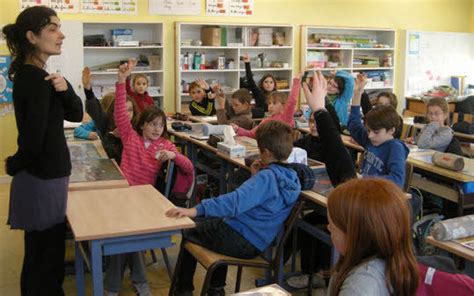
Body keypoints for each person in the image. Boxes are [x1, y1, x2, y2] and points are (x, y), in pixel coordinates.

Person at [166, 120, 309, 296]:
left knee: (189, 229)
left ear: (266, 152)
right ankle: (216, 289)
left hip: (241, 238)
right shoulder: (291, 177)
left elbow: (233, 203)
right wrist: (255, 177)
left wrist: (194, 209)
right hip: (258, 241)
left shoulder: (266, 178)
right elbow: (264, 199)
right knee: (212, 224)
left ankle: (183, 291)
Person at [3, 6, 83, 295]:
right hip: (42, 180)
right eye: (52, 28)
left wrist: (66, 88)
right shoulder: (33, 78)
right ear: (31, 37)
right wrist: (13, 164)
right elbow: (34, 141)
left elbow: (76, 114)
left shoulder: (41, 77)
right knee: (44, 261)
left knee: (45, 257)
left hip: (48, 178)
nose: (61, 35)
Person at [105, 59, 194, 296]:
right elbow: (121, 113)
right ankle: (139, 283)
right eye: (152, 124)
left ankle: (113, 288)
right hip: (123, 196)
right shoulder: (130, 138)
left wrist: (173, 157)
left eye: (160, 125)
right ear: (142, 125)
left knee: (126, 236)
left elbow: (188, 168)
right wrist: (121, 82)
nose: (156, 129)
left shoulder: (165, 144)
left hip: (146, 201)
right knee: (125, 235)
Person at [286, 70, 357, 289]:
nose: (313, 125)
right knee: (303, 222)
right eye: (312, 121)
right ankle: (310, 272)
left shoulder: (341, 161)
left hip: (335, 204)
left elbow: (336, 149)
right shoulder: (307, 141)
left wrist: (320, 108)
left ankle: (319, 273)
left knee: (312, 225)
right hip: (324, 200)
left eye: (318, 122)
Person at [327, 178, 419, 296]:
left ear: (359, 236)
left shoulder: (361, 285)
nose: (328, 228)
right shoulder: (388, 263)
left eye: (333, 227)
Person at [348, 73, 408, 188]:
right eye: (368, 130)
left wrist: (366, 179)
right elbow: (353, 125)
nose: (370, 136)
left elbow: (397, 180)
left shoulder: (395, 148)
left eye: (375, 132)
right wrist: (357, 94)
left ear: (391, 130)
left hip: (381, 198)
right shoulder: (373, 139)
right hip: (366, 189)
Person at [82, 67, 139, 164]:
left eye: (130, 110)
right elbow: (95, 111)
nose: (127, 114)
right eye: (123, 110)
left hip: (130, 171)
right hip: (111, 167)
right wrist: (88, 90)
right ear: (114, 111)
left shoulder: (138, 127)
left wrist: (127, 136)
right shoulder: (106, 124)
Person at [232, 72, 301, 138]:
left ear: (283, 105)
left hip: (282, 149)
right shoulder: (266, 121)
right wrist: (237, 129)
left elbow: (292, 101)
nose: (270, 106)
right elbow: (251, 134)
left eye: (274, 103)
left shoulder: (286, 117)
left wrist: (296, 81)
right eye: (269, 103)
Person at [242, 53, 277, 118]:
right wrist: (247, 64)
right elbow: (250, 80)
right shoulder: (258, 93)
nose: (269, 84)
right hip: (260, 119)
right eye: (266, 82)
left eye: (271, 82)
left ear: (274, 85)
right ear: (262, 84)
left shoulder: (277, 96)